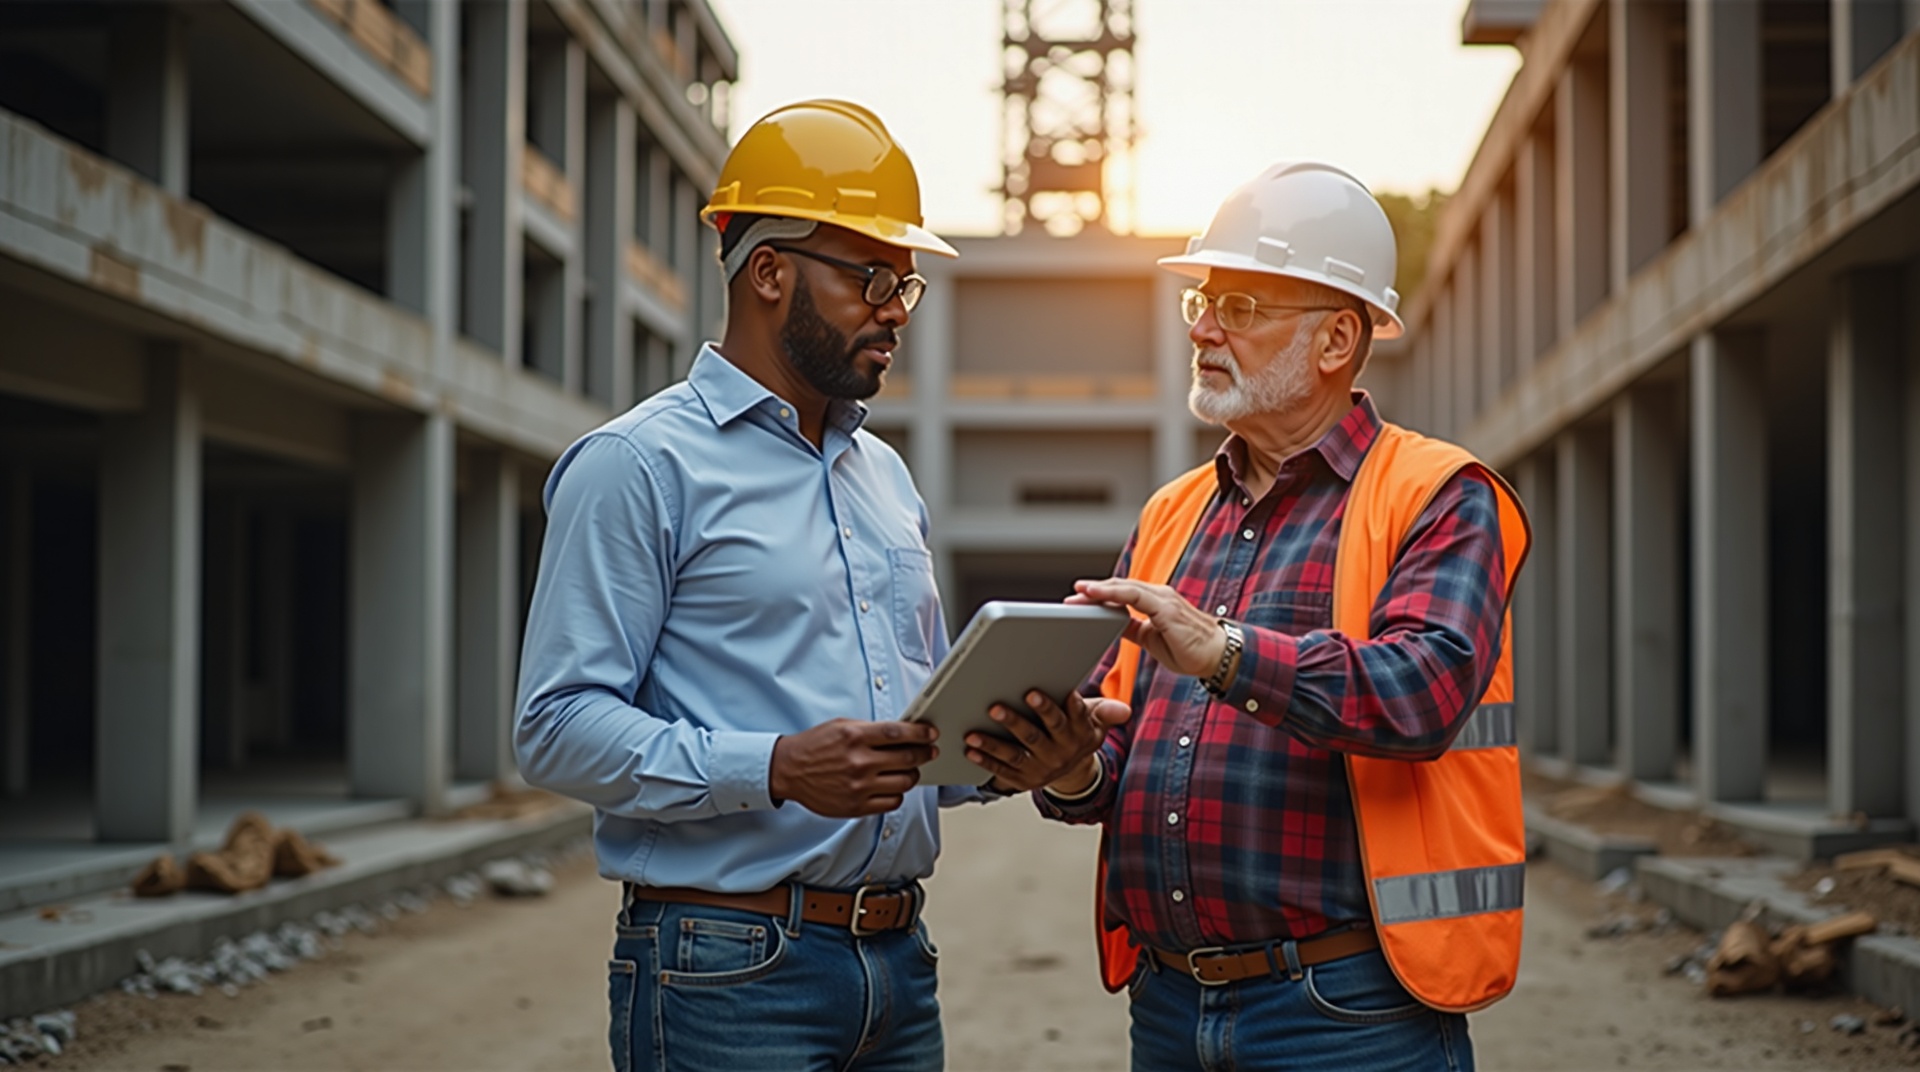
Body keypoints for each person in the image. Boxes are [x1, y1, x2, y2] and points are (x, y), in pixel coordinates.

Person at [513, 99, 1124, 1072]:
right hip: (725, 973)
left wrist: (1011, 754)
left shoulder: (885, 479)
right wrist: (775, 766)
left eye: (907, 286)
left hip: (897, 966)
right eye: (873, 277)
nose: (895, 310)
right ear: (768, 271)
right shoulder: (637, 465)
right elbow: (553, 726)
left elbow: (906, 744)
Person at [1036, 161, 1532, 1071]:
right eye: (1203, 302)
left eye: (1243, 307)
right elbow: (1114, 756)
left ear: (1339, 338)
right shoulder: (1171, 514)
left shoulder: (1436, 496)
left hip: (1349, 1017)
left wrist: (1222, 651)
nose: (1204, 327)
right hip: (1170, 1005)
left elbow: (1421, 693)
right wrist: (1067, 764)